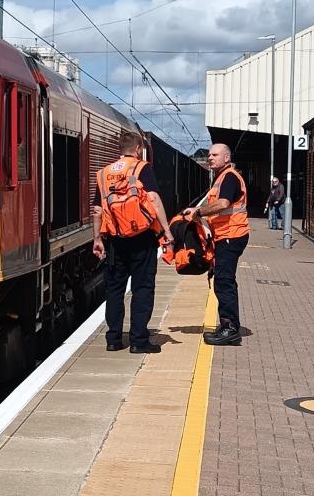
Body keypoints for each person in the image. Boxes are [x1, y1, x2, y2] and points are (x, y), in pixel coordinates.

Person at [92, 130, 173, 354]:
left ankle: (113, 339)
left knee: (114, 290)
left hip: (115, 241)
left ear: (120, 149)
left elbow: (97, 211)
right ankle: (139, 341)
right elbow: (154, 199)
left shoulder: (103, 174)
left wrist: (97, 239)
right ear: (138, 149)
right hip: (143, 239)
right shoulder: (142, 168)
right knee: (142, 288)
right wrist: (166, 230)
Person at [184, 143, 249, 345]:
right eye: (209, 154)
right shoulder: (221, 177)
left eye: (215, 155)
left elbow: (222, 204)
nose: (210, 157)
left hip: (231, 235)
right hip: (226, 235)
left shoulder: (229, 177)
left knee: (224, 281)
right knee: (223, 280)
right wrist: (196, 209)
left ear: (226, 158)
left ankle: (230, 330)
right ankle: (227, 325)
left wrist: (199, 212)